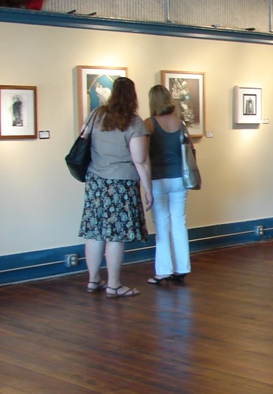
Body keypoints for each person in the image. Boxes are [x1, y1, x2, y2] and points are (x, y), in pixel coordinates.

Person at [79, 77, 153, 298]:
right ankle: (113, 285)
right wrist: (148, 189)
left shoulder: (96, 114)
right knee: (115, 236)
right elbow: (140, 160)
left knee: (95, 233)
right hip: (121, 184)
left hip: (96, 182)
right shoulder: (134, 122)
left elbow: (83, 138)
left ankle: (93, 280)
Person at [144, 85, 192, 285]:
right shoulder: (180, 123)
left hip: (158, 179)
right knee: (179, 222)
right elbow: (190, 150)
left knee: (161, 225)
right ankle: (182, 268)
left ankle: (163, 271)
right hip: (179, 179)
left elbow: (143, 155)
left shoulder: (149, 124)